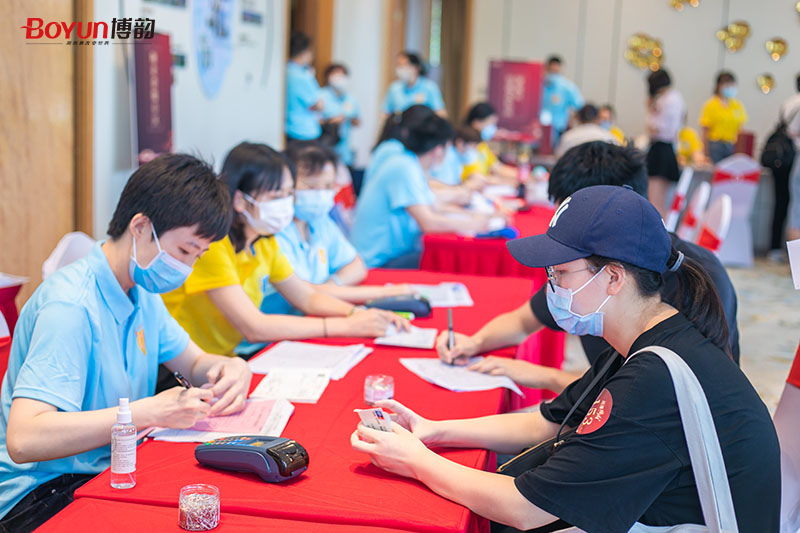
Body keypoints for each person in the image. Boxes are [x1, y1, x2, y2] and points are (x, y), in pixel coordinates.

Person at [352, 185, 779, 532]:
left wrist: (416, 461)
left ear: (614, 277)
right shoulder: (644, 341)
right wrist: (433, 431)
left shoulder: (652, 378)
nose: (551, 286)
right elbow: (548, 420)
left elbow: (525, 509)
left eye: (560, 273)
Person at [0, 154, 252, 531]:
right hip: (41, 493)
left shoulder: (141, 289)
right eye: (184, 251)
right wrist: (147, 412)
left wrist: (230, 367)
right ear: (141, 227)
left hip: (111, 471)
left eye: (197, 257)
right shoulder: (71, 306)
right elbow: (24, 439)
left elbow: (195, 363)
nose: (186, 268)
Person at [436, 142, 740, 394]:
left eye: (566, 215)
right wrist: (474, 343)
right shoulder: (583, 270)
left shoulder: (696, 282)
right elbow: (523, 320)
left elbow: (643, 397)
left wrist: (544, 376)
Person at [162, 143, 406, 359]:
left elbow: (306, 297)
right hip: (183, 364)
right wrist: (346, 326)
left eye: (289, 193)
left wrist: (357, 313)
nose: (286, 203)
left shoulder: (263, 241)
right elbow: (254, 327)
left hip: (223, 357)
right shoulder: (213, 245)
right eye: (276, 195)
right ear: (240, 200)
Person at [260, 142, 411, 315]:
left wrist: (331, 285)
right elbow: (304, 291)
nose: (320, 194)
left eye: (328, 187)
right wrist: (383, 293)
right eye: (310, 187)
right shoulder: (275, 229)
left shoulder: (319, 222)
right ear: (287, 186)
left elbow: (356, 266)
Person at [351, 112, 496, 268]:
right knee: (453, 262)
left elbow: (433, 206)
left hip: (391, 253)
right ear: (439, 149)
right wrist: (478, 223)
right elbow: (429, 222)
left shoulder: (409, 163)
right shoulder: (403, 167)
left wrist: (479, 216)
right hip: (378, 261)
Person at [645, 69, 685, 217]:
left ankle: (660, 229)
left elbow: (657, 128)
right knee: (659, 200)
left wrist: (650, 110)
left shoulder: (667, 100)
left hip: (661, 148)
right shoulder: (675, 98)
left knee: (656, 199)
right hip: (665, 148)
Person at [700, 71, 748, 164]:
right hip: (715, 145)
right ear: (719, 86)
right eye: (726, 84)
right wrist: (705, 153)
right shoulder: (711, 105)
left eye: (731, 84)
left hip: (732, 144)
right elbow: (705, 131)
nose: (729, 87)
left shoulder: (737, 105)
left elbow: (741, 129)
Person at [462, 102, 517, 182]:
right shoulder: (464, 147)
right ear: (476, 123)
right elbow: (474, 177)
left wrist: (524, 175)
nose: (493, 128)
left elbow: (498, 168)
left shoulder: (482, 146)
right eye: (490, 123)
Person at [319, 64, 360, 169]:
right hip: (326, 144)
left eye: (342, 75)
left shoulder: (350, 99)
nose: (339, 77)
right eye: (336, 74)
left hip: (345, 148)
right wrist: (332, 121)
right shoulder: (321, 96)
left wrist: (347, 118)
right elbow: (315, 120)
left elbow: (357, 122)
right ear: (328, 76)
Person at [776, 74, 800, 254]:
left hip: (793, 157)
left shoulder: (792, 102)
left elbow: (792, 131)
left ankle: (795, 262)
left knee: (796, 209)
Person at [382, 51, 446, 117]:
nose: (401, 68)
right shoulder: (394, 88)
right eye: (399, 65)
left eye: (405, 65)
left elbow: (440, 113)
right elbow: (386, 113)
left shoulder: (430, 87)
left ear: (416, 68)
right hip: (400, 123)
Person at [285, 32, 322, 143]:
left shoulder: (284, 70)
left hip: (288, 129)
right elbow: (317, 105)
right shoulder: (302, 76)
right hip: (303, 131)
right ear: (305, 52)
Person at [539, 56, 584, 143]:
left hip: (559, 129)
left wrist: (571, 120)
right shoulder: (539, 84)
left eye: (556, 70)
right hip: (539, 129)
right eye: (551, 70)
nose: (553, 73)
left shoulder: (567, 87)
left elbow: (580, 106)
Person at [554, 104, 619, 159]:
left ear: (578, 118)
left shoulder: (567, 137)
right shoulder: (609, 137)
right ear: (596, 118)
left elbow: (558, 159)